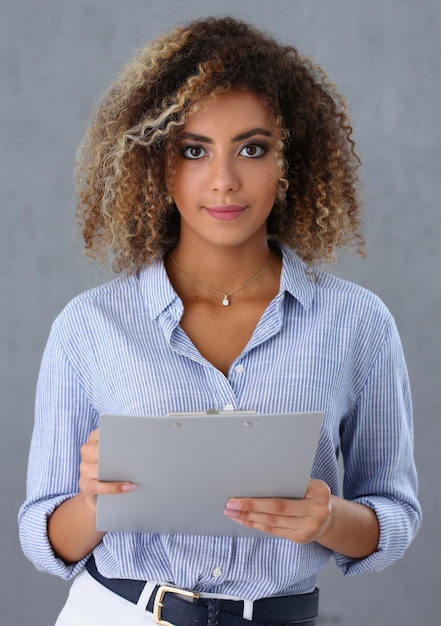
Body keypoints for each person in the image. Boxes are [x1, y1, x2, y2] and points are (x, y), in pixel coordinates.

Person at [19, 16, 421, 626]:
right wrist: (95, 502)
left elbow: (394, 514)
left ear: (289, 161)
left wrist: (329, 519)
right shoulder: (90, 326)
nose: (224, 180)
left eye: (252, 148)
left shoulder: (356, 324)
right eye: (193, 149)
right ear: (157, 164)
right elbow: (43, 536)